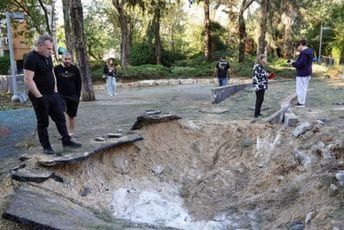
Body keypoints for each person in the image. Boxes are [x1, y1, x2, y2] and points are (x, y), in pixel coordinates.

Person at [24, 34, 81, 155]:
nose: (51, 51)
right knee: (43, 122)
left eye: (51, 48)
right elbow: (28, 79)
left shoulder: (47, 56)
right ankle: (46, 146)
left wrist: (55, 90)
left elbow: (51, 73)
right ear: (40, 45)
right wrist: (39, 96)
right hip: (39, 96)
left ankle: (66, 141)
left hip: (52, 94)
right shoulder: (30, 58)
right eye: (48, 48)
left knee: (60, 118)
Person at [54, 52, 82, 137]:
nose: (67, 61)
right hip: (60, 96)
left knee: (71, 115)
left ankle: (71, 133)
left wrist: (77, 96)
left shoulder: (75, 69)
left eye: (69, 59)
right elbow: (53, 82)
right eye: (65, 59)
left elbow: (79, 83)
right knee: (60, 114)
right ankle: (63, 133)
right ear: (62, 59)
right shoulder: (56, 69)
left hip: (73, 96)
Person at [290, 38, 314, 107]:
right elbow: (304, 62)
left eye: (298, 46)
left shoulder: (304, 53)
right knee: (304, 88)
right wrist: (295, 62)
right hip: (308, 72)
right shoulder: (310, 51)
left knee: (300, 88)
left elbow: (301, 64)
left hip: (302, 73)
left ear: (301, 44)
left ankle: (301, 103)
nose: (298, 48)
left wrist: (293, 63)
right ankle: (302, 101)